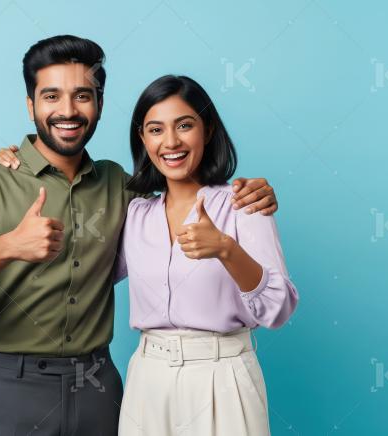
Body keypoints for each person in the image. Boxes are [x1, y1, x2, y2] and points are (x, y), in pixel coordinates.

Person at [0, 35, 279, 436]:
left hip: (100, 391)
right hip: (12, 391)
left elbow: (179, 197)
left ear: (100, 104)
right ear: (30, 105)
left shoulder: (122, 188)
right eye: (51, 96)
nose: (67, 111)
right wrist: (10, 245)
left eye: (82, 96)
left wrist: (248, 192)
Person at [116, 75, 299, 435]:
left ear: (208, 129)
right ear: (143, 138)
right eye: (155, 129)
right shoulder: (135, 214)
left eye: (185, 125)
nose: (171, 141)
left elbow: (279, 310)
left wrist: (225, 249)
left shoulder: (243, 203)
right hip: (147, 382)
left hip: (223, 378)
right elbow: (86, 271)